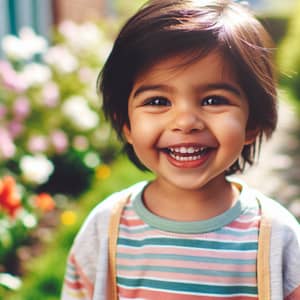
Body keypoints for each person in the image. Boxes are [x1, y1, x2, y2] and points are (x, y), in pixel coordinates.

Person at [61, 0, 300, 299]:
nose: (185, 122)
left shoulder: (277, 237)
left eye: (213, 100)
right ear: (127, 125)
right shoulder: (105, 229)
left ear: (251, 123)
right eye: (158, 101)